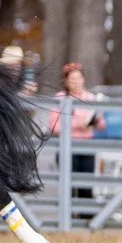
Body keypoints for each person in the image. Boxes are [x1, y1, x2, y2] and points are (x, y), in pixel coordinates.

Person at [46, 63, 104, 200]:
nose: (76, 82)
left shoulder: (91, 98)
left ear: (83, 79)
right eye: (72, 79)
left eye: (79, 78)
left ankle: (86, 218)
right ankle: (69, 219)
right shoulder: (60, 98)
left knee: (86, 186)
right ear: (66, 82)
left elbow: (102, 125)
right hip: (67, 146)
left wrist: (95, 121)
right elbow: (53, 127)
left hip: (87, 146)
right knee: (68, 186)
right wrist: (77, 124)